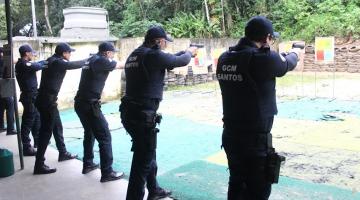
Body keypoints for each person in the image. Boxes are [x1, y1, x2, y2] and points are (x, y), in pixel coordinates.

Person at [216, 16, 300, 200]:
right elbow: (288, 63)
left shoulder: (224, 58)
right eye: (271, 39)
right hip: (254, 140)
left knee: (237, 182)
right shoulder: (260, 58)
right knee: (258, 190)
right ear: (266, 38)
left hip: (231, 134)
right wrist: (295, 51)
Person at [120, 26, 197, 200]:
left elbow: (169, 58)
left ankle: (153, 189)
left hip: (131, 112)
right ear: (158, 41)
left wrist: (183, 52)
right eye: (164, 42)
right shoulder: (153, 55)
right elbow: (180, 61)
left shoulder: (136, 54)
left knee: (147, 153)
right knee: (142, 161)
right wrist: (190, 53)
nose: (165, 45)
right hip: (142, 114)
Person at [74, 42, 125, 182]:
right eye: (112, 53)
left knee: (89, 133)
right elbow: (120, 65)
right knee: (105, 137)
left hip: (80, 103)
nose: (113, 55)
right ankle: (107, 173)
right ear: (107, 53)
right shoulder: (102, 60)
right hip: (90, 105)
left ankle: (88, 164)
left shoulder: (91, 59)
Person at [34, 43, 86, 174]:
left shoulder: (50, 60)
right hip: (47, 101)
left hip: (47, 100)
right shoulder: (57, 62)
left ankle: (62, 153)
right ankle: (39, 164)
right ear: (64, 53)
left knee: (57, 126)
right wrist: (91, 60)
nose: (70, 55)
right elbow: (72, 65)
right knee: (46, 132)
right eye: (69, 53)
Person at [15, 44, 47, 156]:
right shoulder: (22, 64)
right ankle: (26, 147)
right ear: (27, 53)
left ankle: (37, 143)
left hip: (32, 96)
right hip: (29, 97)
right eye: (31, 53)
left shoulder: (23, 64)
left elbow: (36, 64)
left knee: (37, 119)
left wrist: (44, 61)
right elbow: (37, 66)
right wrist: (45, 62)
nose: (33, 55)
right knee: (28, 122)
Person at [0, 47, 16, 135]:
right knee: (10, 106)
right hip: (4, 86)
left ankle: (1, 126)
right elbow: (7, 74)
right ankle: (11, 129)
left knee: (1, 107)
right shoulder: (3, 61)